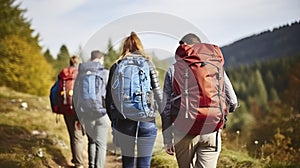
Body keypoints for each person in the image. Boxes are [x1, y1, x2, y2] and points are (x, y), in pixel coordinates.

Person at [161, 33, 238, 168]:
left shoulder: (174, 69)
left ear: (182, 47)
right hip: (211, 129)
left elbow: (165, 108)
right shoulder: (216, 66)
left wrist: (167, 138)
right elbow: (232, 101)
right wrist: (220, 114)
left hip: (184, 130)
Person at [105, 32, 163, 168]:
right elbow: (158, 94)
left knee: (128, 162)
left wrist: (114, 122)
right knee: (145, 162)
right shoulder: (148, 64)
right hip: (146, 119)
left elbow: (108, 98)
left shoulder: (116, 65)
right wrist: (163, 119)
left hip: (124, 120)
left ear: (124, 47)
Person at [61, 56, 85, 168]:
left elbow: (55, 90)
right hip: (78, 109)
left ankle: (76, 159)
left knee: (72, 134)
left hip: (66, 109)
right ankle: (79, 163)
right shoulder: (82, 74)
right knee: (78, 137)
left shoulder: (63, 74)